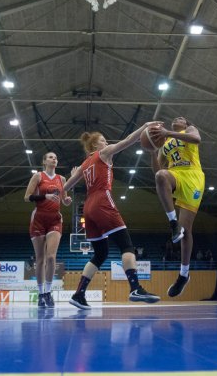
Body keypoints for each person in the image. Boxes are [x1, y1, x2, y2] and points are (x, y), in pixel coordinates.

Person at [63, 124, 161, 309]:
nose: (107, 142)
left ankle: (78, 294)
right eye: (103, 140)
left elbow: (66, 187)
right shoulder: (104, 153)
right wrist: (145, 127)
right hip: (102, 201)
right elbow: (127, 141)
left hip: (88, 206)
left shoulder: (84, 165)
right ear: (95, 146)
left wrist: (65, 198)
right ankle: (135, 288)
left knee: (101, 253)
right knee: (126, 245)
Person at [149, 116, 205, 298]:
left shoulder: (189, 130)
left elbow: (197, 139)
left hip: (193, 177)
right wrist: (152, 151)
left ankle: (183, 274)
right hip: (176, 174)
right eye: (175, 118)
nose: (176, 118)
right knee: (161, 177)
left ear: (186, 124)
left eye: (181, 118)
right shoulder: (166, 142)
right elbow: (158, 170)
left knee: (187, 231)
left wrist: (167, 133)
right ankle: (173, 223)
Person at [24, 152, 72, 308]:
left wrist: (67, 200)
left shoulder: (62, 179)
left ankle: (48, 292)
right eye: (51, 157)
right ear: (44, 161)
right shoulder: (38, 176)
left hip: (54, 220)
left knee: (51, 257)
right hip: (38, 219)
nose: (54, 159)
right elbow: (27, 197)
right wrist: (45, 197)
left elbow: (64, 200)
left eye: (56, 157)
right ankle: (40, 293)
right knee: (40, 259)